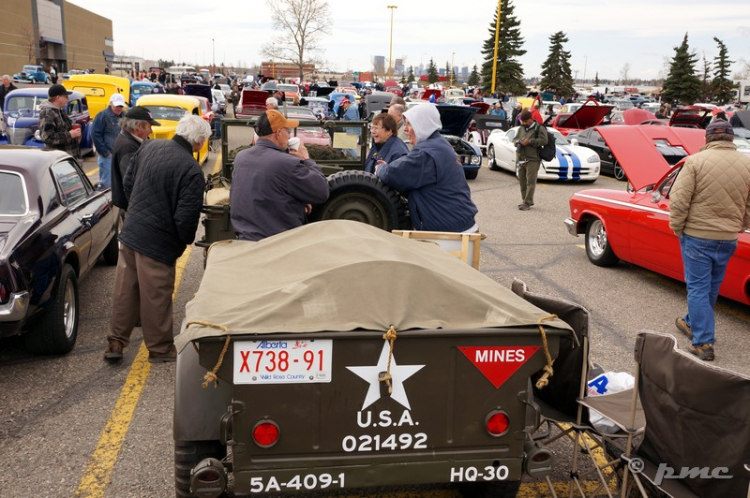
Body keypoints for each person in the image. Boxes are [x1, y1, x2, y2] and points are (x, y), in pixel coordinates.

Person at [104, 115, 212, 363]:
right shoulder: (191, 169)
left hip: (132, 231)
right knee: (156, 296)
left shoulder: (149, 146)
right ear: (198, 141)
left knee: (125, 290)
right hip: (158, 241)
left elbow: (128, 183)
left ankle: (116, 342)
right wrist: (182, 242)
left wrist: (139, 211)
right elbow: (186, 218)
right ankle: (160, 348)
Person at [669, 120, 750, 361]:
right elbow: (748, 204)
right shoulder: (747, 164)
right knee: (711, 287)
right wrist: (740, 225)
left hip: (698, 235)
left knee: (697, 288)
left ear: (708, 139)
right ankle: (691, 322)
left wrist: (677, 228)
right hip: (728, 238)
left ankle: (703, 342)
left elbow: (680, 199)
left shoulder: (695, 161)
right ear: (730, 138)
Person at [375, 103, 478, 232]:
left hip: (449, 232)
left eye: (409, 124)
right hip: (459, 223)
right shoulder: (440, 145)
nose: (405, 130)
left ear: (422, 126)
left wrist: (380, 169)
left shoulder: (426, 153)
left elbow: (393, 174)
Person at [230, 110, 329, 241]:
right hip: (277, 243)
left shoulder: (241, 157)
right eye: (287, 131)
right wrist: (306, 159)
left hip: (245, 237)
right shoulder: (287, 163)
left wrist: (298, 204)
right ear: (278, 133)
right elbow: (322, 191)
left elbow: (265, 195)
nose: (289, 136)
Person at [111, 107, 160, 211]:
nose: (151, 131)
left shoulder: (128, 140)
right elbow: (133, 185)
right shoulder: (128, 147)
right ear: (138, 126)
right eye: (149, 126)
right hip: (134, 209)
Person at [514, 110, 548, 211]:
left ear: (530, 119)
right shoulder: (521, 128)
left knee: (530, 182)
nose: (523, 123)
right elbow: (515, 139)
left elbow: (544, 140)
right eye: (522, 121)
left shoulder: (539, 128)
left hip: (533, 159)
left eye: (525, 121)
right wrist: (517, 142)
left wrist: (530, 141)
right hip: (521, 158)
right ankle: (524, 200)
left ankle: (527, 202)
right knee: (522, 181)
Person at [91, 93, 126, 188]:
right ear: (110, 103)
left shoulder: (125, 116)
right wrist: (105, 152)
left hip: (120, 155)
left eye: (121, 106)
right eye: (117, 106)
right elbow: (95, 134)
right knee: (107, 183)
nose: (119, 108)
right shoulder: (102, 116)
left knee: (120, 182)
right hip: (108, 156)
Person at [38, 84, 81, 159]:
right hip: (59, 160)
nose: (67, 99)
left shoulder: (60, 110)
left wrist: (74, 133)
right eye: (65, 96)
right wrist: (69, 135)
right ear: (58, 98)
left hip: (69, 157)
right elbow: (47, 138)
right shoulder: (47, 113)